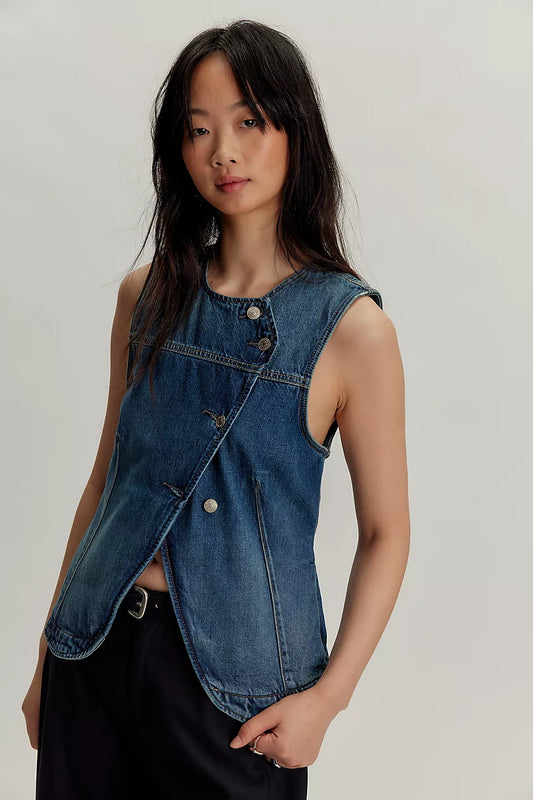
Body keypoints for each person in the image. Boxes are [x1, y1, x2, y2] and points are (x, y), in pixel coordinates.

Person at [22, 18, 410, 800]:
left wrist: (327, 701)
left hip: (237, 694)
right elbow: (105, 486)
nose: (222, 151)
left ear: (294, 130)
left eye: (247, 123)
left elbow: (386, 533)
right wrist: (46, 658)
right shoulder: (148, 296)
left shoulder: (350, 329)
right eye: (197, 130)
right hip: (91, 659)